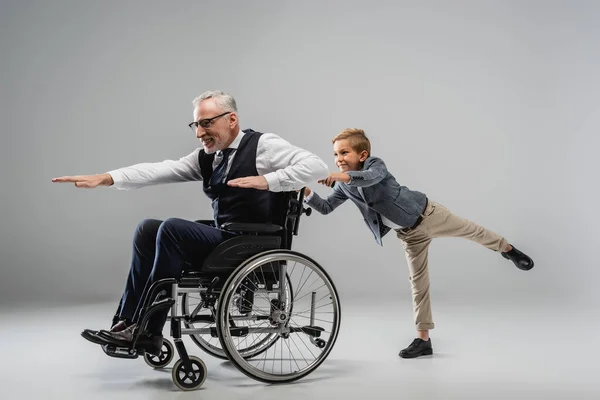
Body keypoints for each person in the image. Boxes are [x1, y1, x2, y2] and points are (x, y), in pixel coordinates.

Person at [52, 90, 329, 355]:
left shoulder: (263, 146)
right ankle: (126, 322)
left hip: (254, 241)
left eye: (207, 123)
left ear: (231, 119)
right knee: (147, 228)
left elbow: (317, 167)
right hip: (227, 237)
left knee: (172, 228)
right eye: (196, 125)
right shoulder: (209, 158)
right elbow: (161, 169)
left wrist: (267, 180)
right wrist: (107, 177)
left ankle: (149, 331)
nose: (199, 133)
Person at [303, 128, 534, 359]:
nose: (338, 159)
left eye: (344, 152)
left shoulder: (375, 165)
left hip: (428, 215)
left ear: (362, 155)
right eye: (335, 154)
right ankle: (424, 341)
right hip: (409, 235)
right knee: (418, 284)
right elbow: (326, 207)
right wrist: (305, 192)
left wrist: (337, 176)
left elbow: (369, 178)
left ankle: (508, 249)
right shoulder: (344, 186)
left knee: (472, 231)